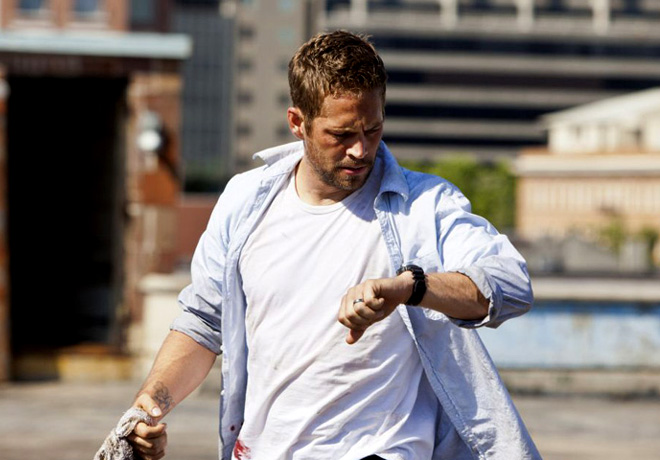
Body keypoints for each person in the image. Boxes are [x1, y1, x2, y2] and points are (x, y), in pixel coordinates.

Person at [126, 30, 541, 460]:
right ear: (297, 123)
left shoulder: (426, 205)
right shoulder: (245, 200)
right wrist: (149, 404)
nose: (360, 150)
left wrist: (410, 287)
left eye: (372, 129)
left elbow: (510, 282)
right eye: (341, 134)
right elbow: (203, 321)